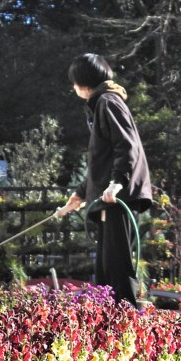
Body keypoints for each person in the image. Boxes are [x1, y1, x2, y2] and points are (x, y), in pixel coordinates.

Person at [56, 53, 152, 306]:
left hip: (118, 198)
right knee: (106, 267)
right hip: (110, 197)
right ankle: (108, 324)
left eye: (74, 82)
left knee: (117, 266)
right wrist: (78, 195)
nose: (72, 87)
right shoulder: (102, 103)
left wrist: (117, 182)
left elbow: (126, 145)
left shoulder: (108, 102)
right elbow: (102, 159)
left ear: (82, 82)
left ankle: (126, 322)